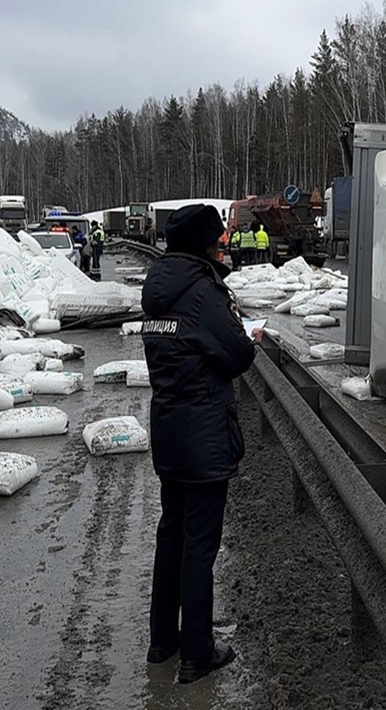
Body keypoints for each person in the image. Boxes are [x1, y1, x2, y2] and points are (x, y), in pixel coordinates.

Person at [141, 203, 263, 685]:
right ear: (203, 245)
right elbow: (235, 355)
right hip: (204, 433)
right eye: (217, 241)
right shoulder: (204, 292)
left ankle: (162, 641)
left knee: (170, 535)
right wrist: (248, 336)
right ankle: (197, 651)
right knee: (199, 546)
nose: (222, 247)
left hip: (168, 429)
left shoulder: (158, 290)